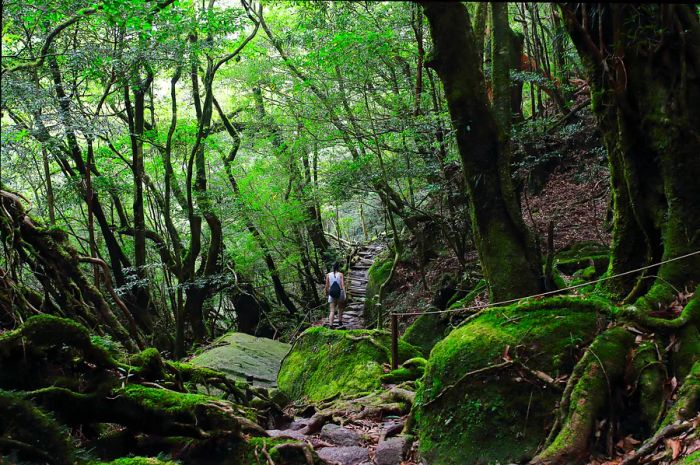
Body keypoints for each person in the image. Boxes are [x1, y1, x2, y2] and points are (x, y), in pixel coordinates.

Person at [324, 262, 346, 327]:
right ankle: (340, 322)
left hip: (332, 293)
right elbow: (342, 285)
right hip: (340, 292)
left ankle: (331, 325)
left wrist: (326, 293)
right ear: (338, 267)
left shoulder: (328, 275)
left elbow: (327, 286)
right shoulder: (341, 274)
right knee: (340, 308)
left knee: (332, 310)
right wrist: (344, 293)